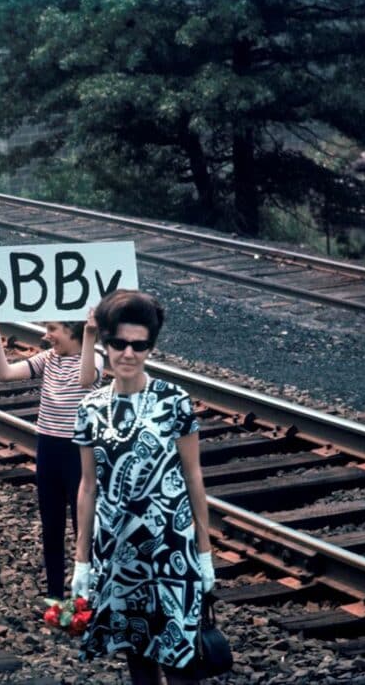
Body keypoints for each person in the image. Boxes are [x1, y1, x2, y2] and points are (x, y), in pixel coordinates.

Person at [71, 290, 215, 685]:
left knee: (182, 662)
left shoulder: (175, 402)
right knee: (138, 661)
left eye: (140, 345)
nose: (128, 354)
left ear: (150, 348)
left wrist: (204, 553)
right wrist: (82, 560)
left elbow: (193, 477)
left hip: (172, 553)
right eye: (119, 343)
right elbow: (87, 487)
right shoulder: (90, 409)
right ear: (105, 344)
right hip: (118, 556)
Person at [0, 311, 103, 600]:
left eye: (53, 328)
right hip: (49, 448)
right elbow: (5, 374)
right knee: (51, 522)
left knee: (84, 524)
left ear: (73, 331)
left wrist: (90, 336)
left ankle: (88, 595)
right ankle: (55, 593)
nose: (46, 335)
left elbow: (85, 380)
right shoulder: (48, 359)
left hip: (78, 453)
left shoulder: (95, 358)